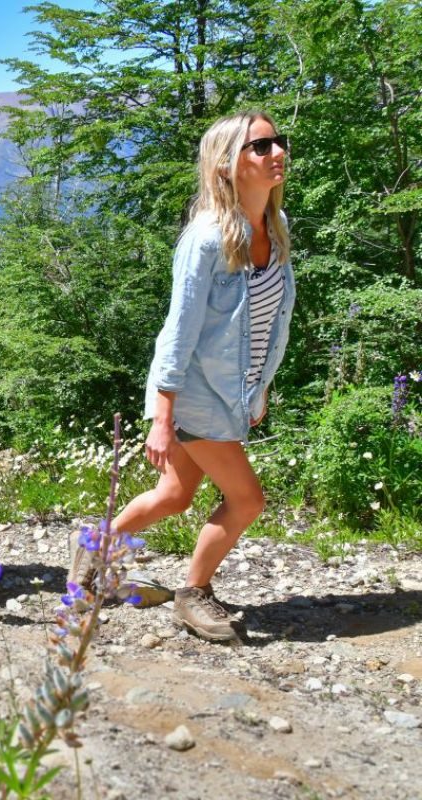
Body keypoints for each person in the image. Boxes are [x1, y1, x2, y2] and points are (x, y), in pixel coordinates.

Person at [72, 110, 295, 643]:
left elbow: (271, 322)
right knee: (248, 500)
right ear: (227, 164)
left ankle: (94, 548)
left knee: (174, 494)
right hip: (193, 395)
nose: (277, 153)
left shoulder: (276, 228)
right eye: (261, 146)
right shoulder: (207, 239)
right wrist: (162, 416)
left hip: (229, 393)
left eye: (278, 142)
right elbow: (179, 329)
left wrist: (259, 388)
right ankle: (193, 594)